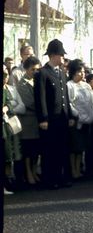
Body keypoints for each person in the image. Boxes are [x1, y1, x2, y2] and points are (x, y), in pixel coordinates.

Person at [34, 39, 75, 190]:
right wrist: (43, 118)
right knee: (50, 151)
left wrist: (69, 115)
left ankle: (62, 177)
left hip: (62, 117)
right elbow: (41, 98)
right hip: (50, 119)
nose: (63, 58)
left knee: (62, 149)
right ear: (53, 55)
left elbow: (66, 96)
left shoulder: (62, 73)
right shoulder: (42, 73)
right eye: (61, 55)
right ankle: (50, 179)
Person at [67, 59, 93, 180]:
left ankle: (79, 169)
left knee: (81, 148)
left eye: (84, 71)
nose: (83, 74)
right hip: (76, 121)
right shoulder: (69, 85)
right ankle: (73, 170)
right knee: (74, 148)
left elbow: (92, 103)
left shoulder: (86, 86)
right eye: (80, 71)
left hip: (87, 120)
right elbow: (69, 103)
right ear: (73, 72)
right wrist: (76, 115)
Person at [16, 56, 42, 187]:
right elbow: (29, 103)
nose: (35, 72)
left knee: (36, 149)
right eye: (33, 70)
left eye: (38, 69)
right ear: (26, 69)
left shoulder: (37, 81)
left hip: (37, 120)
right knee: (28, 149)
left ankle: (33, 170)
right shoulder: (22, 84)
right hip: (28, 120)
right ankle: (28, 173)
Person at [3, 66, 25, 193]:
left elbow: (21, 107)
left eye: (6, 74)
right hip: (4, 125)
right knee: (5, 155)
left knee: (15, 153)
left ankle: (15, 180)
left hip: (12, 124)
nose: (5, 77)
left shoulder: (12, 89)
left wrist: (9, 109)